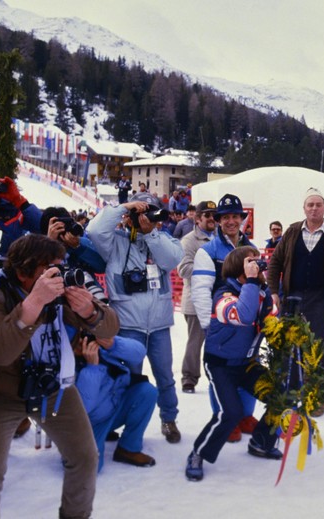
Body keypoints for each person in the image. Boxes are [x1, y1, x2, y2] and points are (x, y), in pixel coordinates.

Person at [0, 233, 119, 518]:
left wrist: (88, 310)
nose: (58, 275)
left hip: (54, 388)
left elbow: (110, 329)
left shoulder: (61, 297)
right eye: (49, 269)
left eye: (60, 266)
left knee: (85, 458)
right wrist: (34, 303)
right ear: (23, 271)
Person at [86, 191, 184, 444]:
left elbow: (173, 259)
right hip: (128, 326)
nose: (145, 217)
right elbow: (95, 230)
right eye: (140, 213)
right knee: (125, 379)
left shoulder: (163, 240)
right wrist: (124, 207)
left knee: (165, 376)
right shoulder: (115, 242)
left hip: (159, 326)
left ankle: (169, 419)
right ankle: (116, 420)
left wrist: (150, 233)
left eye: (150, 211)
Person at [185, 246, 282, 482]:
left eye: (258, 261)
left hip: (246, 363)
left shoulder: (260, 293)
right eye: (252, 261)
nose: (258, 265)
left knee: (281, 397)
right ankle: (198, 453)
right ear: (240, 267)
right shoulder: (223, 294)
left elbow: (271, 324)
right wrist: (251, 281)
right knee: (230, 413)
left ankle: (261, 442)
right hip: (220, 364)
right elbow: (244, 315)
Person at [266, 188, 324, 417]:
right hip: (292, 298)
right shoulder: (292, 231)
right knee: (290, 347)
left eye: (318, 204)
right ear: (304, 209)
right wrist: (273, 292)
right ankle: (293, 391)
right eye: (310, 205)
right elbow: (274, 263)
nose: (314, 208)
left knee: (320, 348)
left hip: (322, 299)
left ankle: (319, 397)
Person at [191, 194, 259, 438]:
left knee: (249, 366)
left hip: (246, 323)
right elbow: (200, 291)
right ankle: (223, 417)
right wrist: (208, 325)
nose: (231, 221)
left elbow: (257, 284)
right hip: (221, 322)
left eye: (235, 216)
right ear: (218, 220)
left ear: (242, 219)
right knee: (221, 372)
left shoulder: (250, 247)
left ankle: (245, 415)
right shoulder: (207, 251)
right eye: (226, 217)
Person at [73, 333, 158, 471]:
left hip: (113, 406)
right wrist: (92, 367)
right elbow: (84, 407)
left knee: (147, 392)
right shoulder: (65, 363)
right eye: (76, 341)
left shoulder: (99, 345)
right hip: (89, 422)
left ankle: (128, 448)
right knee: (89, 469)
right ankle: (75, 447)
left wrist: (112, 343)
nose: (83, 343)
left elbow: (139, 353)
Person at [177, 201, 217, 394]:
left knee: (218, 341)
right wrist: (213, 269)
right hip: (195, 301)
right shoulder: (189, 240)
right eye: (207, 215)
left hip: (217, 300)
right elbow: (183, 269)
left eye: (214, 215)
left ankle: (217, 377)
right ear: (197, 218)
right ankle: (189, 379)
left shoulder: (221, 237)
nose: (212, 219)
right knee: (195, 342)